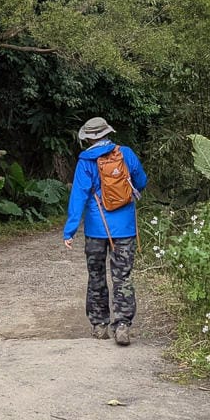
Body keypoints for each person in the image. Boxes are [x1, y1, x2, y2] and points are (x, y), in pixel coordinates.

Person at [62, 116, 147, 346]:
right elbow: (141, 180)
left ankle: (99, 326)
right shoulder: (125, 153)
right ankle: (122, 326)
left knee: (97, 276)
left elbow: (78, 197)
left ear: (89, 137)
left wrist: (70, 230)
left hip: (96, 229)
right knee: (123, 277)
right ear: (107, 133)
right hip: (125, 228)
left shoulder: (85, 162)